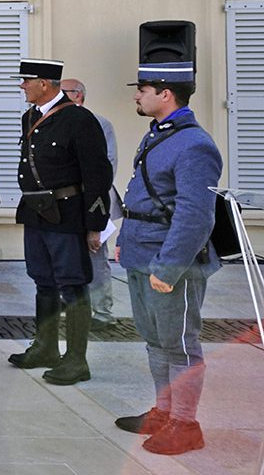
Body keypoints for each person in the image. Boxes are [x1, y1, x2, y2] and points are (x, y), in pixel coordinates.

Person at [113, 61, 221, 455]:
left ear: (165, 93)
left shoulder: (195, 144)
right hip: (143, 253)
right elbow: (140, 192)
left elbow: (196, 213)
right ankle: (163, 412)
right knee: (155, 341)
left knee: (180, 345)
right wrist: (126, 237)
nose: (136, 95)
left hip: (171, 261)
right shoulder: (159, 134)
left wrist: (171, 266)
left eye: (142, 88)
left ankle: (185, 423)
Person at [7, 59, 112, 387]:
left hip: (68, 212)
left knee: (72, 283)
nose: (22, 86)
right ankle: (46, 347)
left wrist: (95, 223)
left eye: (27, 81)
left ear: (45, 83)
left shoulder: (79, 119)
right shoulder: (31, 116)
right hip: (37, 211)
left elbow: (97, 174)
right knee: (43, 280)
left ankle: (77, 359)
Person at [61, 78, 120, 331]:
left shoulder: (99, 123)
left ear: (79, 96)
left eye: (64, 92)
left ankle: (103, 312)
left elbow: (107, 165)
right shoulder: (55, 122)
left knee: (95, 257)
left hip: (92, 203)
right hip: (64, 205)